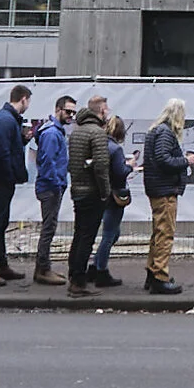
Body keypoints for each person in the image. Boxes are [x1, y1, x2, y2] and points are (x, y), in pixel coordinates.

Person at [0, 83, 33, 289]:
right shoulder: (5, 120)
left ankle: (0, 265)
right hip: (1, 179)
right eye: (28, 101)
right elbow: (2, 152)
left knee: (0, 222)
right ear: (24, 99)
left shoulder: (7, 119)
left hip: (0, 178)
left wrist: (22, 140)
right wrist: (12, 175)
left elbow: (6, 147)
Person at [63, 95, 114, 299]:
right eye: (106, 108)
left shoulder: (77, 132)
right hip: (92, 192)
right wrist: (105, 192)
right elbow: (101, 166)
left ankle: (73, 274)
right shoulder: (97, 133)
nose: (108, 111)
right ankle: (79, 282)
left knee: (79, 233)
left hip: (78, 190)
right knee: (87, 237)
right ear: (100, 111)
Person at [142, 98, 189, 296]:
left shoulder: (156, 131)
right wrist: (186, 161)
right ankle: (160, 276)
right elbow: (164, 159)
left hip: (157, 188)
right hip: (165, 190)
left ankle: (152, 273)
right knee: (165, 234)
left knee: (158, 233)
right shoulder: (165, 133)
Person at [30, 94, 75, 288]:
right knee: (48, 228)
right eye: (68, 111)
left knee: (49, 227)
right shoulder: (52, 133)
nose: (71, 115)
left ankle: (44, 267)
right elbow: (47, 162)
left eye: (73, 112)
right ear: (58, 109)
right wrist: (56, 184)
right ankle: (42, 269)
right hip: (51, 188)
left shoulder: (55, 131)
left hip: (52, 185)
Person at [89, 113, 131, 289]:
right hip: (115, 195)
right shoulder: (116, 149)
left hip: (102, 194)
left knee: (112, 233)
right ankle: (101, 270)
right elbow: (120, 172)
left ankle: (94, 266)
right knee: (109, 234)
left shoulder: (101, 145)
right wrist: (130, 166)